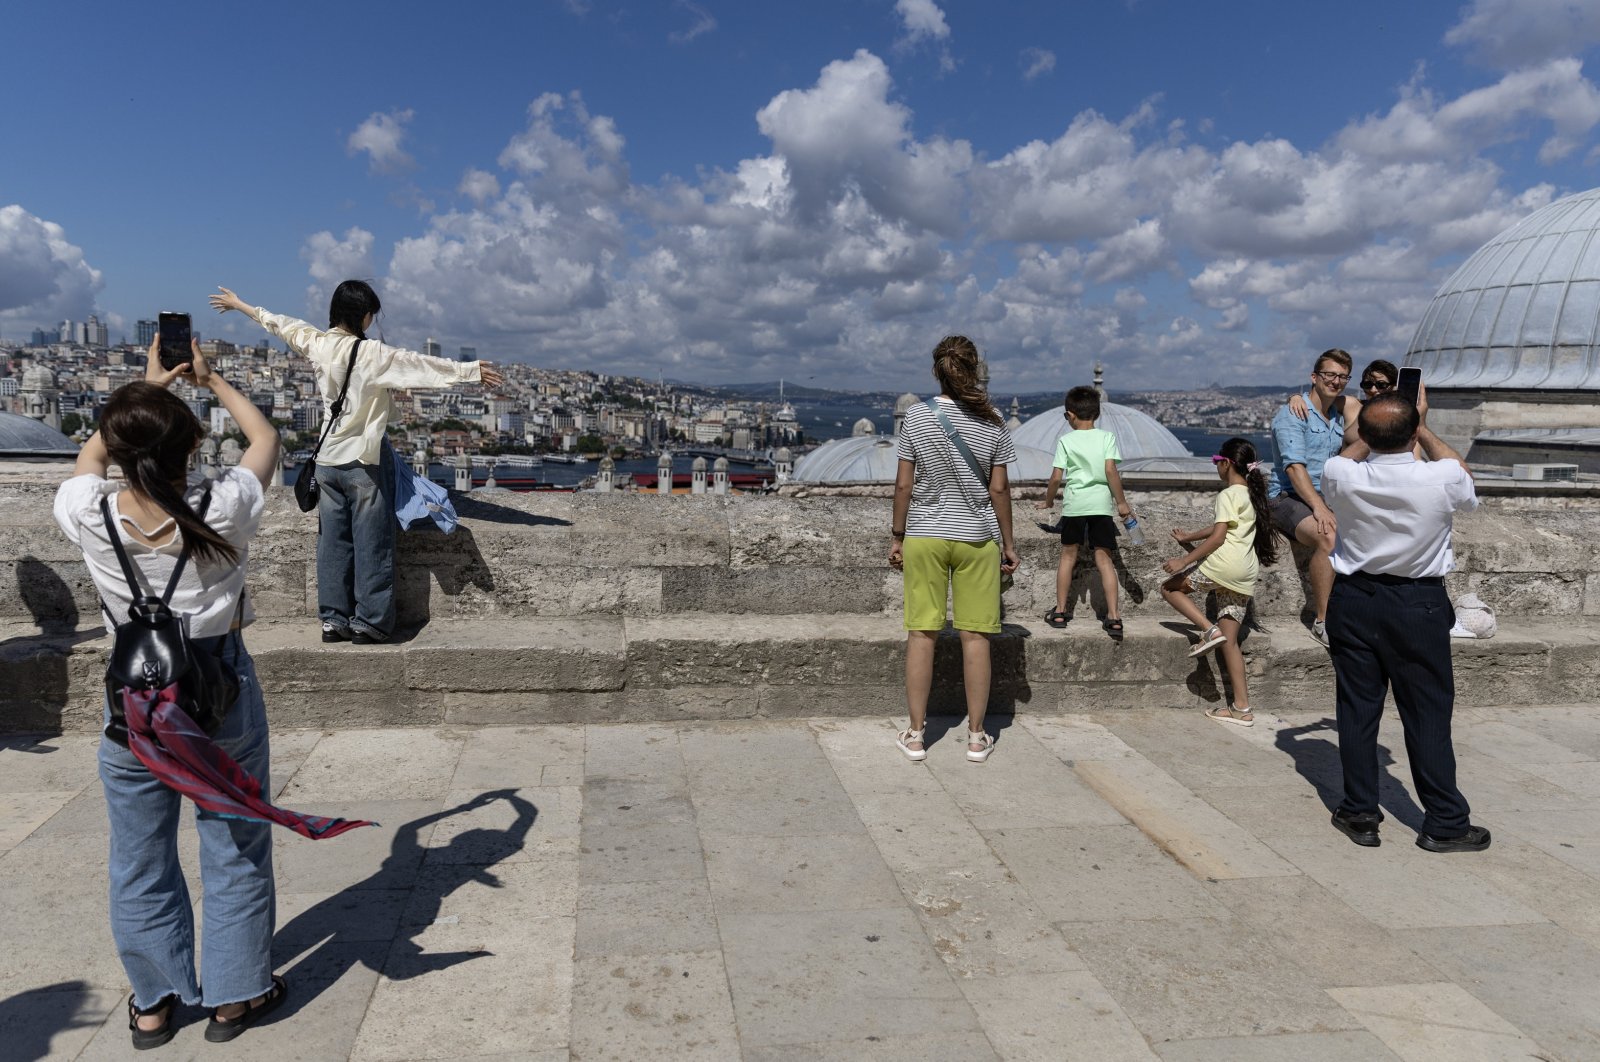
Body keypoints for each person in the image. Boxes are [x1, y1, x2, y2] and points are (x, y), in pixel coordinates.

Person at [53, 336, 287, 1047]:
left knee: (139, 854)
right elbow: (264, 436)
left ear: (124, 449)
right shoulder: (225, 502)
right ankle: (236, 996)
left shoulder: (90, 510)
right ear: (191, 450)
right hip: (216, 691)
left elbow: (91, 460)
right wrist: (210, 381)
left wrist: (145, 391)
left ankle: (154, 1002)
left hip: (133, 703)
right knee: (234, 842)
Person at [209, 282, 504, 643]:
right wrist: (470, 371)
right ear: (362, 315)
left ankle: (333, 620)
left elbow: (278, 323)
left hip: (326, 463)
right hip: (363, 462)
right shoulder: (372, 354)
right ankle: (371, 622)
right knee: (372, 543)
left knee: (332, 543)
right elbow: (422, 367)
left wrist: (241, 304)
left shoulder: (316, 343)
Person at [1321, 389, 1489, 852]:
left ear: (1366, 434)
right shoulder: (1442, 477)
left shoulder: (1342, 473)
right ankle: (1445, 823)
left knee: (1357, 709)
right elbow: (1464, 477)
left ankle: (1360, 813)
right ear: (1413, 432)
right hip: (1418, 604)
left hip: (1353, 599)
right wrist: (1422, 425)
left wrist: (1371, 434)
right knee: (1428, 715)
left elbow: (1348, 456)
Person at [889, 336, 1020, 763]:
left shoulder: (917, 417)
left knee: (922, 633)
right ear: (975, 369)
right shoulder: (994, 420)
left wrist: (898, 535)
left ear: (937, 371)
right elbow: (999, 489)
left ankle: (914, 734)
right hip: (977, 537)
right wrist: (1009, 543)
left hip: (925, 534)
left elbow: (904, 484)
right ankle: (978, 736)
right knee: (976, 635)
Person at [1158, 437, 1278, 726]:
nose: (1216, 467)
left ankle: (1207, 630)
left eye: (1216, 462)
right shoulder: (1252, 494)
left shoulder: (1227, 495)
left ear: (1225, 464)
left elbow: (1220, 536)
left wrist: (1183, 561)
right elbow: (1224, 526)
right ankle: (1242, 708)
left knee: (1169, 588)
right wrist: (1188, 538)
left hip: (1223, 566)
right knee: (1231, 642)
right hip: (1245, 572)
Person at [1268, 348, 1351, 646]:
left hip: (1324, 495)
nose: (1336, 381)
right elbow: (1293, 468)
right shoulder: (1293, 413)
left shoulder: (1339, 414)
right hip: (1285, 497)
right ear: (1314, 377)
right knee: (1328, 536)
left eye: (1342, 376)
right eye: (1329, 374)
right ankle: (1322, 620)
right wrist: (1319, 508)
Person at [1036, 385, 1133, 637]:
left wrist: (1048, 501)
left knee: (1068, 557)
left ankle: (1060, 610)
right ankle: (1113, 616)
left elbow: (1056, 477)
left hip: (1075, 505)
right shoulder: (1107, 438)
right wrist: (1121, 502)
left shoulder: (1066, 441)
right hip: (1100, 505)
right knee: (1105, 560)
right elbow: (1111, 471)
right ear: (1097, 414)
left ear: (1070, 415)